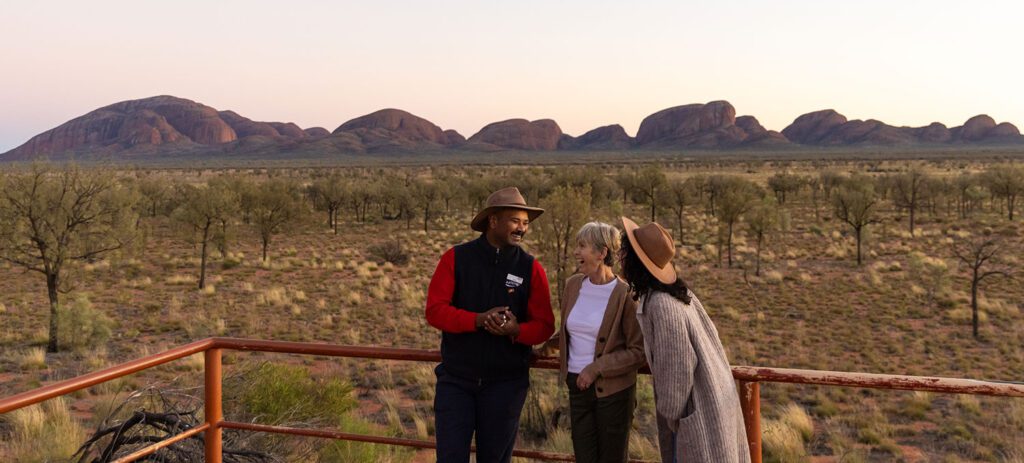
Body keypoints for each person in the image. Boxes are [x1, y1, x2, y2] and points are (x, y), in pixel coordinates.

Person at [425, 186, 556, 463]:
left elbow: (544, 326)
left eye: (525, 223)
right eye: (514, 221)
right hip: (456, 381)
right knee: (449, 458)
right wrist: (478, 320)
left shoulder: (531, 268)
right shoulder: (456, 259)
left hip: (506, 385)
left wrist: (517, 330)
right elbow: (435, 312)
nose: (521, 228)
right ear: (493, 221)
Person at [619, 216, 750, 463]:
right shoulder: (675, 294)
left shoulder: (662, 304)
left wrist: (672, 412)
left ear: (636, 262)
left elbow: (677, 369)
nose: (620, 257)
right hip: (711, 402)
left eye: (625, 251)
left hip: (697, 415)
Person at [545, 221, 645, 463]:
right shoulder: (573, 286)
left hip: (613, 393)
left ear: (602, 254)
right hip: (577, 387)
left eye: (582, 246)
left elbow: (638, 351)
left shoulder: (625, 294)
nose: (576, 252)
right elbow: (573, 331)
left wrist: (596, 368)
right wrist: (545, 347)